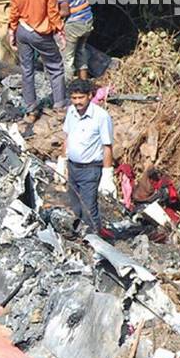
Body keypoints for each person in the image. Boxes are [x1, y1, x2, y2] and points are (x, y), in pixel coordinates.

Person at [8, 0, 66, 135]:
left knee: (27, 70)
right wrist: (60, 31)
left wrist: (11, 31)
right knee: (56, 67)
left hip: (23, 31)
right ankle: (59, 107)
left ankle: (31, 111)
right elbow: (53, 13)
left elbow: (14, 12)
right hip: (41, 33)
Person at [62, 79, 115, 239]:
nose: (77, 102)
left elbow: (107, 146)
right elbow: (67, 137)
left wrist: (107, 174)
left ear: (90, 96)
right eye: (74, 98)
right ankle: (79, 236)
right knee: (76, 206)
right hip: (73, 167)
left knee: (88, 207)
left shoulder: (101, 117)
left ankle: (93, 240)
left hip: (90, 169)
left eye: (81, 98)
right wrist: (63, 160)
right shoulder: (71, 112)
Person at [50, 0, 94, 82]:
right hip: (87, 20)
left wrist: (51, 16)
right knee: (81, 53)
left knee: (66, 60)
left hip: (74, 23)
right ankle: (84, 87)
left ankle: (67, 93)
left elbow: (65, 11)